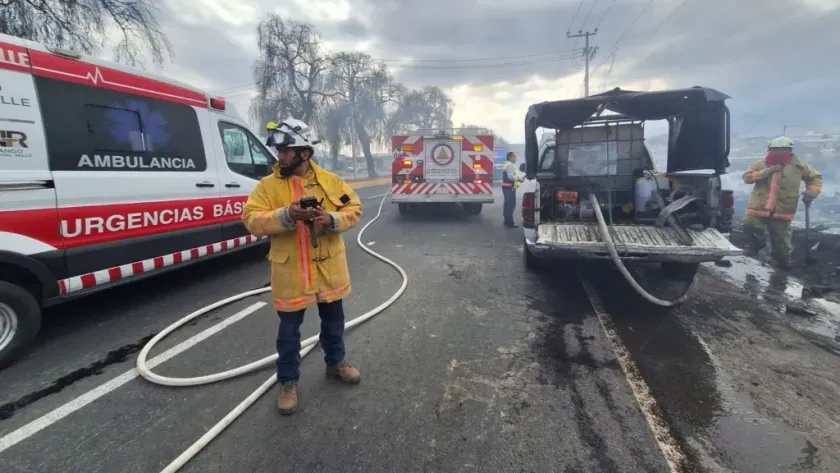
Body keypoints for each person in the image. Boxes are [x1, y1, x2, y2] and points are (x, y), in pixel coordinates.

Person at [241, 118, 363, 415]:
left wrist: (331, 220)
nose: (278, 156)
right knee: (289, 331)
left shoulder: (332, 182)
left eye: (284, 150)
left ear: (304, 154)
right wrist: (286, 215)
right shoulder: (267, 187)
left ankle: (336, 364)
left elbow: (354, 209)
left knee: (334, 321)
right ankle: (288, 383)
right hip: (291, 272)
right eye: (278, 151)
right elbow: (251, 220)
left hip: (329, 270)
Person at [741, 136, 822, 269]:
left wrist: (811, 193)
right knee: (751, 227)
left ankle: (783, 268)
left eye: (783, 150)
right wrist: (768, 171)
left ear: (789, 150)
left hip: (783, 210)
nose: (779, 153)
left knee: (781, 245)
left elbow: (815, 178)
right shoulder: (761, 164)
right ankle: (752, 255)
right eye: (775, 150)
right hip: (759, 207)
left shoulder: (799, 167)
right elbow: (747, 177)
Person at [501, 152, 524, 228]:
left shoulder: (507, 164)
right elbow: (510, 176)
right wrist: (519, 179)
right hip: (509, 187)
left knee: (507, 204)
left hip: (507, 187)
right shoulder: (510, 165)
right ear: (510, 157)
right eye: (514, 156)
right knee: (511, 205)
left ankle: (506, 220)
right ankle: (509, 222)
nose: (515, 158)